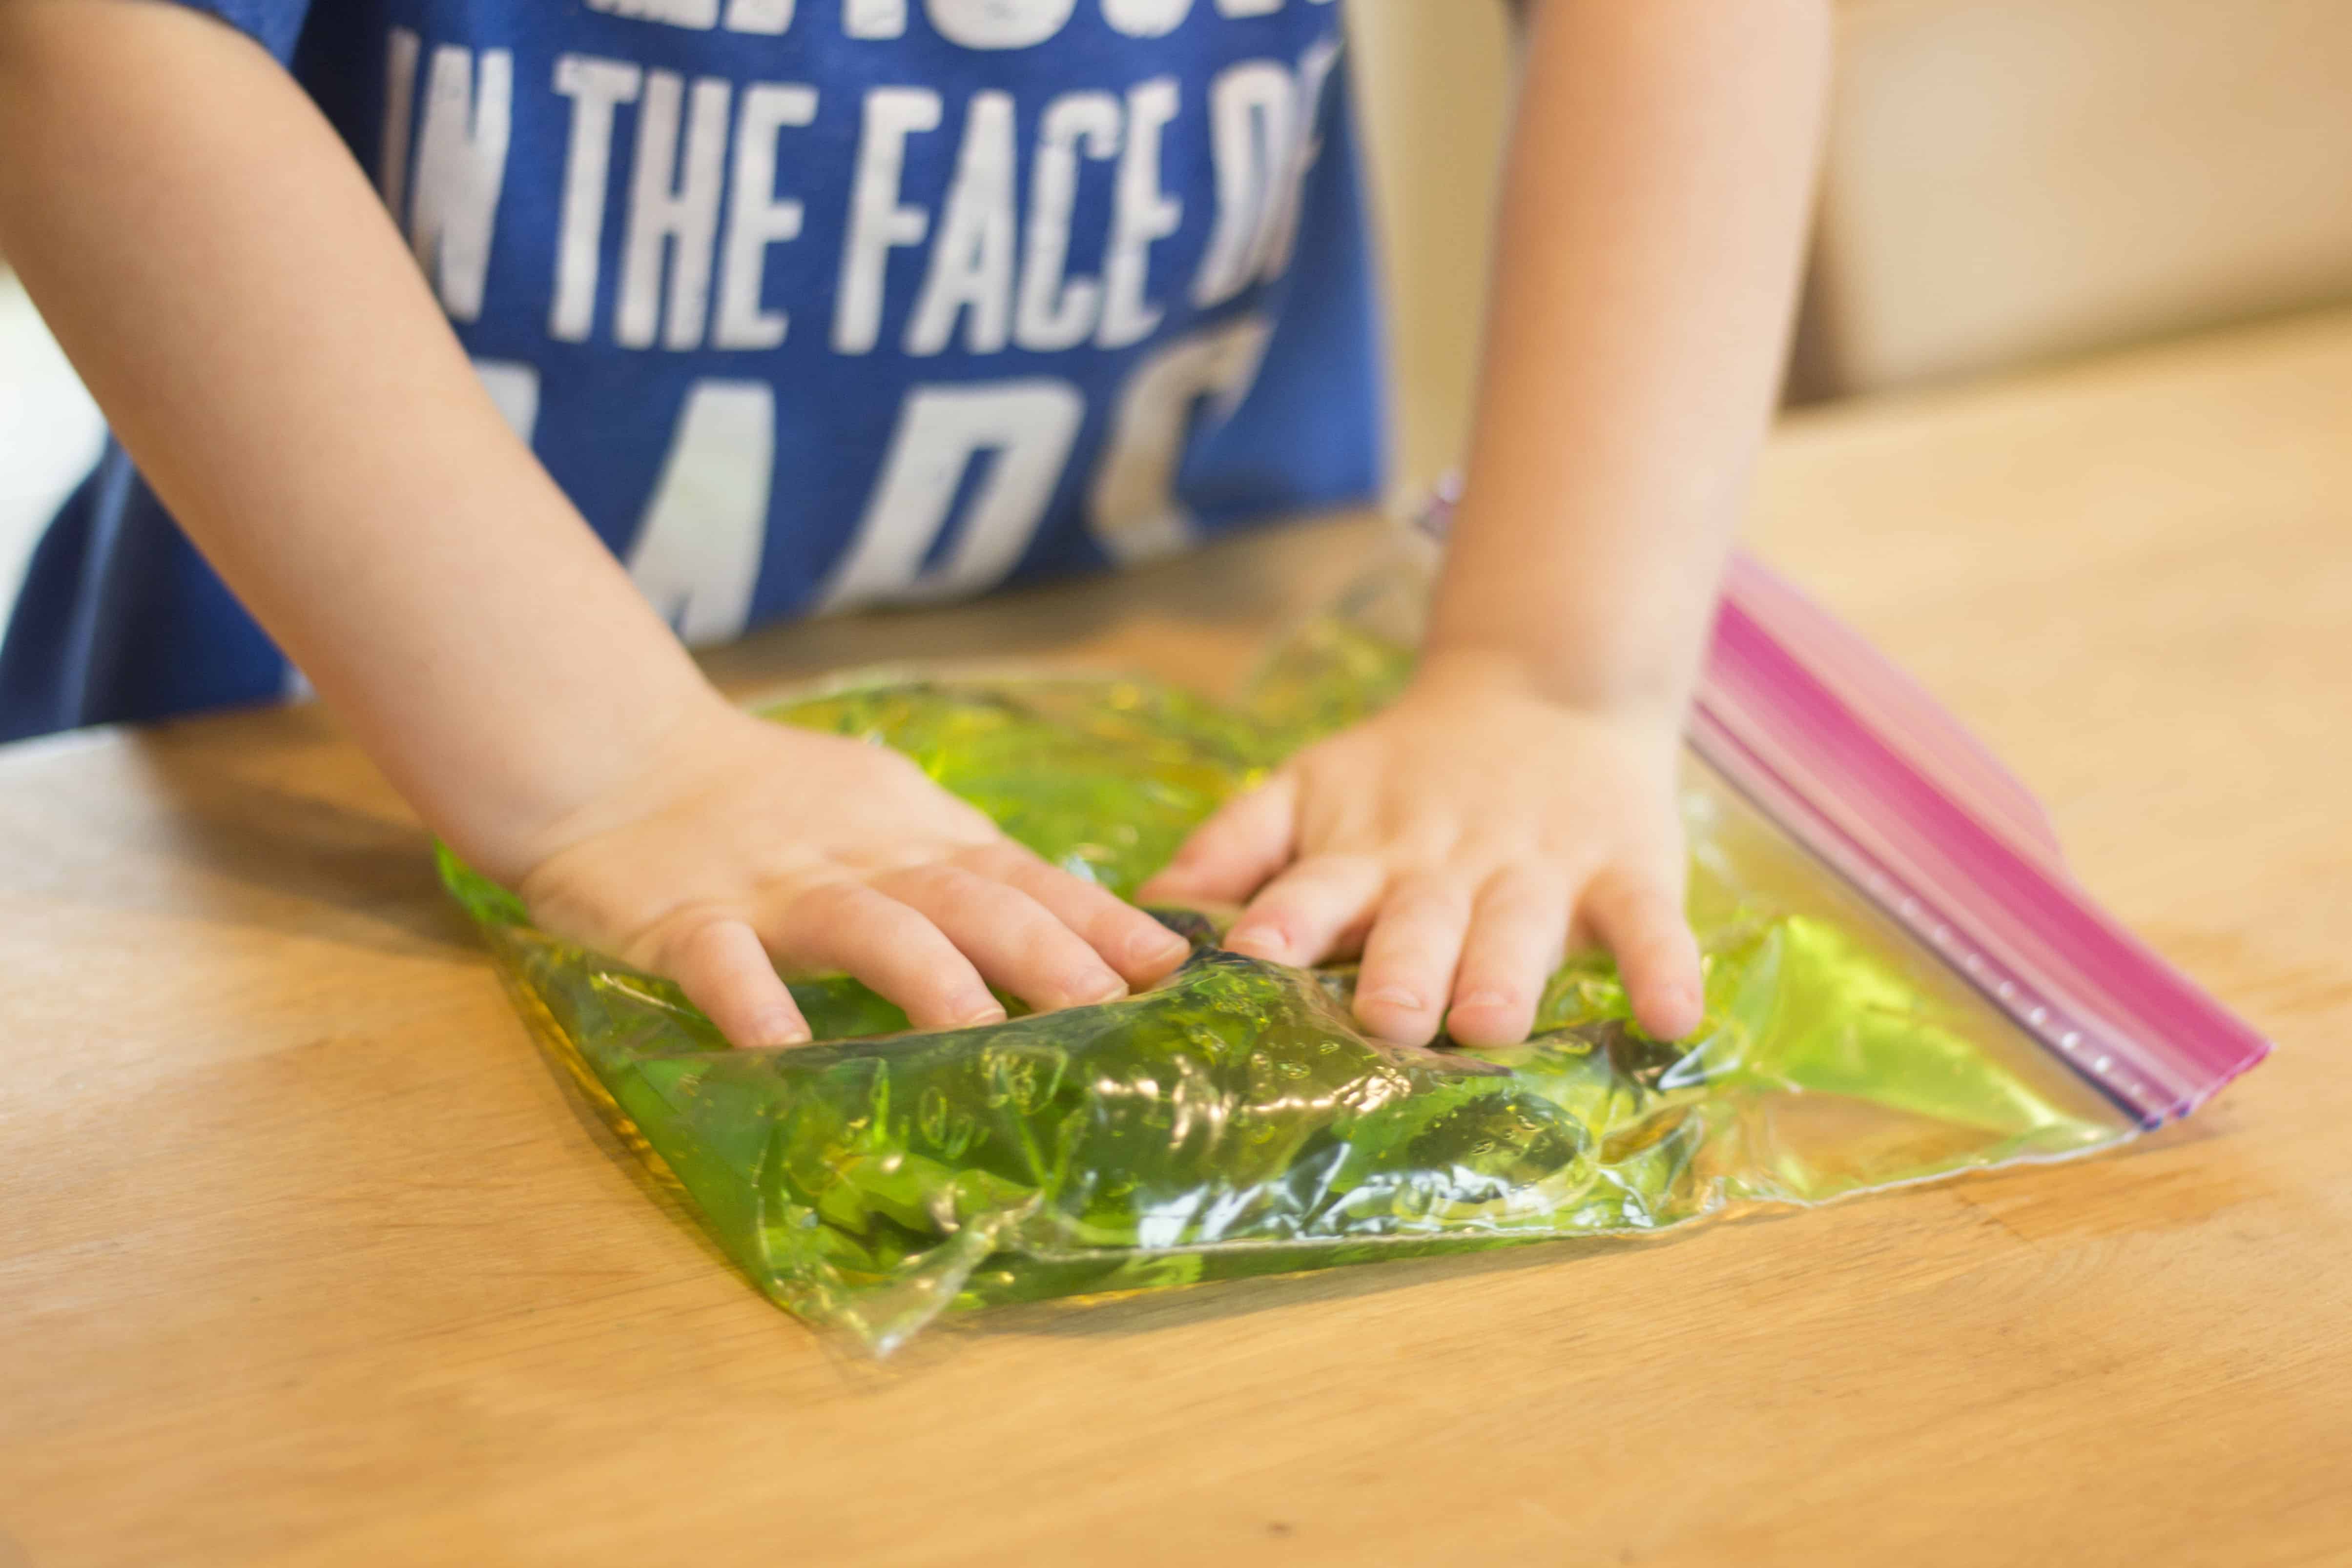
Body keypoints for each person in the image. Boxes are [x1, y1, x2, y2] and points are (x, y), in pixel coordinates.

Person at [0, 0, 1827, 1052]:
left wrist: (1553, 665)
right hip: (345, 745)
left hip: (1172, 643)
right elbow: (84, 42)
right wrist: (606, 769)